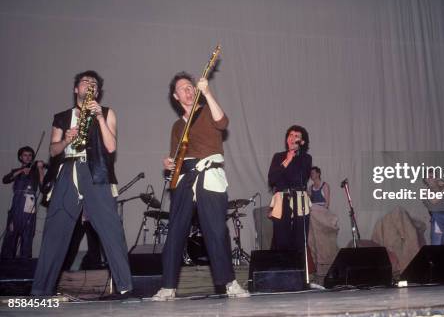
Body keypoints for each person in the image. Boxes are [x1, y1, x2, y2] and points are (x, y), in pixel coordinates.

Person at [31, 71, 132, 298]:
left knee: (111, 230)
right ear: (76, 89)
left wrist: (99, 118)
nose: (90, 85)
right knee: (55, 231)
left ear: (97, 92)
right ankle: (40, 291)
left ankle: (125, 287)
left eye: (94, 84)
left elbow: (111, 147)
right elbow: (53, 150)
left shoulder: (107, 112)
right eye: (85, 82)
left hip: (96, 172)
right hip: (68, 171)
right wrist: (67, 139)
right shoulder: (62, 116)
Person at [152, 72, 248, 301]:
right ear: (176, 97)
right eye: (182, 88)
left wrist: (207, 92)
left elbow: (223, 122)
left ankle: (229, 283)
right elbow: (177, 155)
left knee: (215, 230)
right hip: (185, 177)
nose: (188, 90)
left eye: (190, 86)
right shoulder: (177, 126)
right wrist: (169, 162)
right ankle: (168, 286)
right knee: (175, 230)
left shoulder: (206, 111)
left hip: (209, 175)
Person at [268, 125, 312, 251]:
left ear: (302, 142)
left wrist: (296, 156)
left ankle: (299, 269)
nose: (293, 138)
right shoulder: (278, 157)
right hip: (282, 199)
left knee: (299, 240)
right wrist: (287, 160)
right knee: (281, 238)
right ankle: (282, 268)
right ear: (287, 139)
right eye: (291, 135)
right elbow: (272, 179)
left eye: (297, 136)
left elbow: (301, 179)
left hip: (299, 199)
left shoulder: (306, 159)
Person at [1, 146, 45, 259]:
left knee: (27, 236)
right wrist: (21, 170)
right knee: (11, 234)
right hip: (17, 205)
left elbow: (43, 188)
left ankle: (25, 264)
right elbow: (5, 180)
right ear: (20, 157)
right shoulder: (17, 171)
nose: (28, 157)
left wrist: (40, 170)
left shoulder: (35, 171)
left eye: (30, 155)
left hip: (29, 206)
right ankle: (6, 264)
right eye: (25, 155)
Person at [422, 171, 444, 245]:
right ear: (425, 180)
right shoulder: (426, 191)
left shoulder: (441, 188)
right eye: (427, 178)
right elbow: (434, 201)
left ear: (436, 178)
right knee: (437, 247)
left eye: (431, 177)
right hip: (437, 219)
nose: (428, 179)